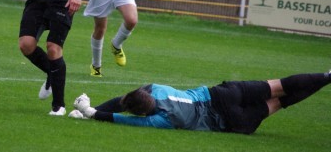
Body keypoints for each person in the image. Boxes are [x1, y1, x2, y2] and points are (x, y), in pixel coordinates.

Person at [70, 70, 331, 134]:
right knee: (280, 86)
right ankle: (326, 76)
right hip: (224, 96)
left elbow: (120, 115)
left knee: (282, 102)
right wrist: (90, 110)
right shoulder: (155, 88)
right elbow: (123, 102)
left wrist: (89, 113)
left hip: (230, 122)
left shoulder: (158, 121)